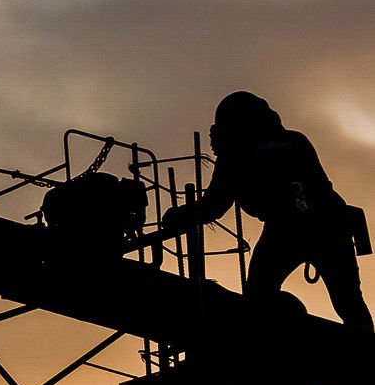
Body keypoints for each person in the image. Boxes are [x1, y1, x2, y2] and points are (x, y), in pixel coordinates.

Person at [158, 91, 373, 337]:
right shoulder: (295, 141)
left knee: (257, 298)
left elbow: (213, 206)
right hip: (330, 225)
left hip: (287, 230)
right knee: (350, 304)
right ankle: (366, 355)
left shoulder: (237, 156)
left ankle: (267, 348)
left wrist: (178, 217)